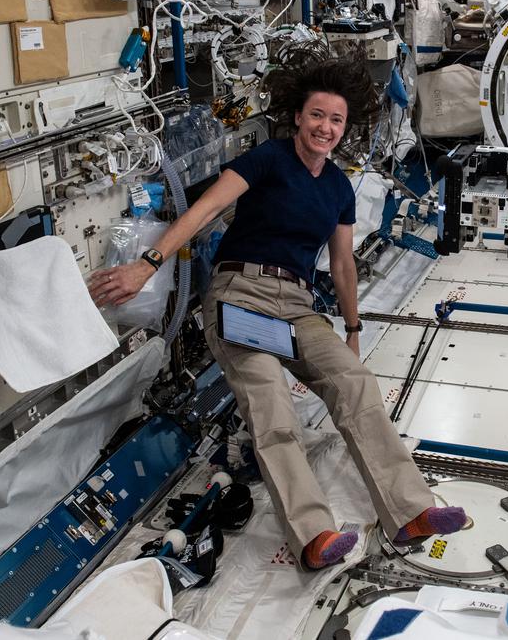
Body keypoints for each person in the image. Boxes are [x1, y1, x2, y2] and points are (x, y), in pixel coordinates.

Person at [88, 51, 466, 570]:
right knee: (271, 401)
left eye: (336, 120)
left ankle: (411, 513)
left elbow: (342, 267)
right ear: (297, 116)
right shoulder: (268, 158)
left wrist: (353, 331)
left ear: (345, 128)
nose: (326, 127)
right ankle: (314, 536)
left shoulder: (337, 187)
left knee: (355, 383)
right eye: (317, 115)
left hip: (298, 305)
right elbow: (207, 208)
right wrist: (147, 265)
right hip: (240, 293)